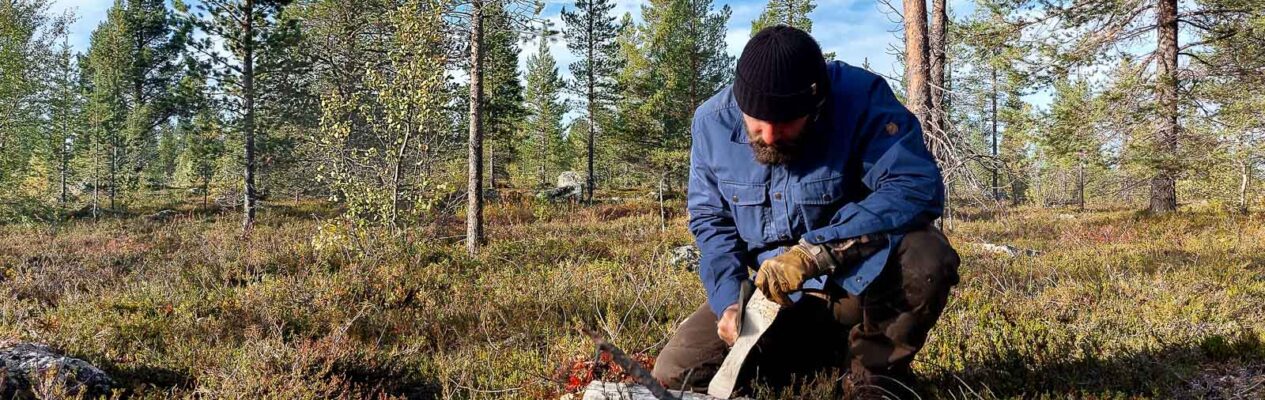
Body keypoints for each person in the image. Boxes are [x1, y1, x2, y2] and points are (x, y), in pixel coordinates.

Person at [650, 25, 961, 396]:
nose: (768, 136)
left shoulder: (860, 101)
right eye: (756, 123)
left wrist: (818, 251)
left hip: (859, 286)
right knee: (675, 375)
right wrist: (729, 303)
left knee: (927, 256)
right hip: (772, 302)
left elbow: (914, 185)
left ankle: (873, 377)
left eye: (783, 124)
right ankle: (819, 361)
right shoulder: (712, 123)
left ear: (816, 106)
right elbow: (711, 222)